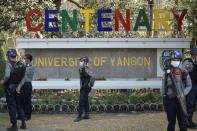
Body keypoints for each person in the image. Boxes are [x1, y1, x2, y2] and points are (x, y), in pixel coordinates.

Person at [161, 50, 192, 131]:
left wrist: (183, 93)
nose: (175, 61)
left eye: (177, 60)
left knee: (183, 123)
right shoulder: (167, 73)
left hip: (181, 100)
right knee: (171, 123)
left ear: (180, 60)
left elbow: (189, 85)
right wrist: (163, 99)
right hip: (170, 101)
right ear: (170, 60)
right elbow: (163, 88)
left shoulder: (184, 72)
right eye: (174, 59)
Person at [0, 49, 25, 130]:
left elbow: (7, 76)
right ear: (15, 56)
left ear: (9, 56)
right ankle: (23, 123)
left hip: (10, 88)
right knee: (19, 105)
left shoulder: (8, 64)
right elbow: (24, 77)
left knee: (12, 106)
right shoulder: (20, 64)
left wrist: (3, 81)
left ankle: (14, 125)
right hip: (18, 87)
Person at [16, 54, 35, 129]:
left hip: (26, 85)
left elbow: (25, 77)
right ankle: (21, 116)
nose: (23, 60)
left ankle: (27, 116)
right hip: (22, 85)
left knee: (27, 101)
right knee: (21, 101)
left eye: (24, 58)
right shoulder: (23, 66)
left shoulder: (31, 67)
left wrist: (19, 86)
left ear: (28, 59)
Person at [74, 56, 93, 122]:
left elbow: (87, 75)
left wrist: (82, 67)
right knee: (85, 99)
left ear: (85, 61)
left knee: (81, 100)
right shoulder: (83, 67)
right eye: (80, 61)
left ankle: (79, 115)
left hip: (86, 86)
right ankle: (87, 114)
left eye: (81, 61)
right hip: (84, 85)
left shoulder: (87, 67)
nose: (80, 62)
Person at [185, 48, 197, 129]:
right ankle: (187, 122)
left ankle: (189, 121)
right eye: (195, 54)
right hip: (191, 85)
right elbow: (189, 72)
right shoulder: (188, 61)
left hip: (195, 84)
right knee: (190, 104)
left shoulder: (195, 62)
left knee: (193, 104)